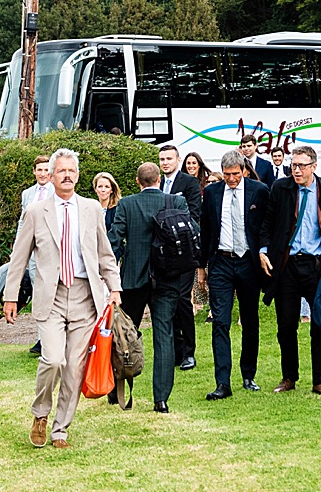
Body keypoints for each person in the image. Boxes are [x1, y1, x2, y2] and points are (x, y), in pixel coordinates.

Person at [1, 148, 122, 449]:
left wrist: (115, 288)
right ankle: (40, 413)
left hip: (85, 297)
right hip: (51, 296)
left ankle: (60, 430)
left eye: (71, 171)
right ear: (51, 176)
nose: (66, 176)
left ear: (78, 176)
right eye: (61, 171)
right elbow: (19, 257)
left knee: (74, 369)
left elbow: (105, 254)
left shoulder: (92, 209)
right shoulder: (35, 212)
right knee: (53, 359)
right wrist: (10, 296)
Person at [259, 145, 321, 396]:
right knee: (286, 325)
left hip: (318, 266)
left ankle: (320, 380)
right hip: (287, 265)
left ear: (314, 167)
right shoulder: (281, 188)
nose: (295, 170)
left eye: (301, 166)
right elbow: (268, 222)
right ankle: (289, 377)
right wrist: (263, 250)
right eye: (293, 165)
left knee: (320, 324)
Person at [107, 162, 188, 412]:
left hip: (133, 278)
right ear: (159, 180)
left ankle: (117, 389)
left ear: (137, 181)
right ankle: (161, 399)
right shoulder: (176, 202)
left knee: (122, 334)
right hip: (168, 276)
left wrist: (109, 277)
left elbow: (114, 242)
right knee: (164, 335)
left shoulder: (126, 204)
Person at [200, 149, 270, 399]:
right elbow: (205, 228)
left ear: (244, 171)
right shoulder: (211, 193)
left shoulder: (259, 191)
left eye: (235, 174)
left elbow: (265, 226)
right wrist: (202, 266)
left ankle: (248, 374)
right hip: (221, 261)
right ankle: (222, 382)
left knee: (250, 320)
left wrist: (263, 251)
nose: (231, 179)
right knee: (220, 321)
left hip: (248, 262)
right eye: (227, 174)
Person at [156, 145, 202, 370]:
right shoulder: (157, 183)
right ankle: (174, 350)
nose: (165, 162)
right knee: (167, 300)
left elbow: (193, 215)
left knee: (183, 299)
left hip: (183, 251)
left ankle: (188, 352)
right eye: (162, 159)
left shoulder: (189, 183)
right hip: (162, 253)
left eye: (169, 158)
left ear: (177, 159)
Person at [19, 154, 52, 356]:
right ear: (34, 172)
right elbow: (22, 224)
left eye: (46, 170)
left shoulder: (56, 193)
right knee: (38, 293)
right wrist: (18, 250)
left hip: (49, 252)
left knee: (50, 292)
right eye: (39, 169)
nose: (42, 173)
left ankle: (51, 338)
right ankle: (41, 338)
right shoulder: (27, 194)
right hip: (32, 252)